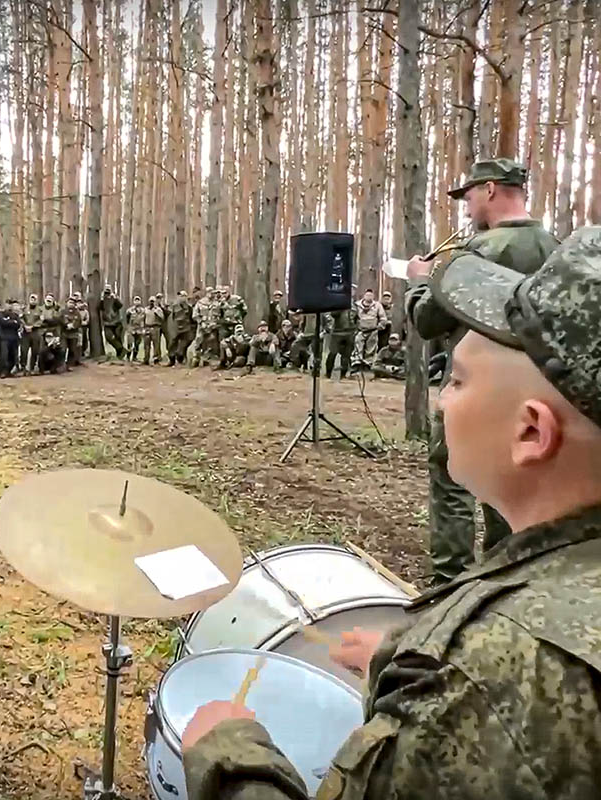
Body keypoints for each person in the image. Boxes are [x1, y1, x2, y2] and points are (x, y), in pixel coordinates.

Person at [181, 225, 601, 800]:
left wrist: (227, 754)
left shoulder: (478, 680)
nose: (442, 399)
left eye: (456, 379)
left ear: (531, 431)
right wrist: (398, 655)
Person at [406, 157, 559, 584]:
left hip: (478, 390)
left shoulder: (476, 253)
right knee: (509, 487)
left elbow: (427, 320)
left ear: (490, 190)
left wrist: (421, 278)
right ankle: (504, 578)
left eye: (469, 195)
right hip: (538, 397)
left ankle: (449, 584)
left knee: (453, 477)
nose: (467, 207)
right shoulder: (558, 249)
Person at [351, 288, 388, 373]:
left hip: (373, 331)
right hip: (360, 330)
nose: (369, 297)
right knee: (357, 348)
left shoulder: (377, 305)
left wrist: (380, 326)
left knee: (371, 349)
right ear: (364, 296)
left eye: (371, 295)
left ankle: (368, 365)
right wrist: (354, 327)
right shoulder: (357, 305)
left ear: (373, 296)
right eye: (367, 295)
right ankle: (356, 365)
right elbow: (352, 317)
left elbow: (383, 317)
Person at [323, 307, 355, 379]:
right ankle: (328, 373)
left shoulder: (353, 306)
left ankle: (343, 375)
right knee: (333, 353)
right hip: (337, 333)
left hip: (349, 333)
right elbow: (333, 314)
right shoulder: (337, 306)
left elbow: (357, 318)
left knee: (346, 355)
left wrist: (355, 329)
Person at [0, 299, 22, 377]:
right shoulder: (1, 314)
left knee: (13, 356)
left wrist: (10, 322)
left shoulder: (15, 315)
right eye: (7, 304)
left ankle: (8, 371)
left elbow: (18, 324)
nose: (9, 306)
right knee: (4, 356)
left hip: (14, 338)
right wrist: (12, 322)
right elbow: (2, 323)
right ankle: (2, 372)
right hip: (4, 338)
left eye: (10, 304)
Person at [99, 287, 125, 359]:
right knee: (109, 337)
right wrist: (102, 299)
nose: (107, 295)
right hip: (107, 323)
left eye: (108, 293)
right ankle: (122, 349)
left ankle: (120, 354)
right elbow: (100, 307)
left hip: (117, 322)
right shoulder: (102, 300)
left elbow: (120, 305)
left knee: (118, 337)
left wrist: (115, 298)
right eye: (105, 293)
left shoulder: (114, 299)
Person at [168, 290, 193, 366]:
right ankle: (171, 360)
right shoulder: (174, 306)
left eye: (183, 296)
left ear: (186, 297)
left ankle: (180, 358)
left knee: (184, 344)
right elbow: (171, 317)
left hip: (186, 328)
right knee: (172, 344)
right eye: (180, 296)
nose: (181, 298)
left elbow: (191, 318)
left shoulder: (189, 307)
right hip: (176, 328)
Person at [21, 293, 42, 374]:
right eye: (31, 299)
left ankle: (32, 368)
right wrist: (25, 326)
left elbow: (41, 320)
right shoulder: (24, 309)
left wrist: (32, 326)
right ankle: (23, 368)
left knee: (35, 350)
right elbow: (21, 318)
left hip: (35, 332)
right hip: (25, 332)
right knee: (24, 351)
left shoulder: (40, 310)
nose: (33, 301)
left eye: (34, 299)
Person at [141, 296, 165, 365]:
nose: (151, 303)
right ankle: (146, 359)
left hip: (155, 327)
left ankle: (156, 359)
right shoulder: (145, 309)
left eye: (153, 301)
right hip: (147, 327)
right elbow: (143, 318)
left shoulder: (158, 309)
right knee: (146, 344)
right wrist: (143, 328)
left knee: (156, 344)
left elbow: (162, 318)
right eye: (150, 301)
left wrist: (157, 313)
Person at [125, 295, 144, 362]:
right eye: (136, 300)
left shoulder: (143, 310)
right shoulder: (129, 310)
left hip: (139, 329)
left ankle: (134, 357)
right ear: (133, 301)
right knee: (130, 344)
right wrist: (128, 327)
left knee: (137, 344)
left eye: (138, 300)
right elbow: (127, 319)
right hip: (131, 329)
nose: (137, 301)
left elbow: (144, 320)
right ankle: (128, 357)